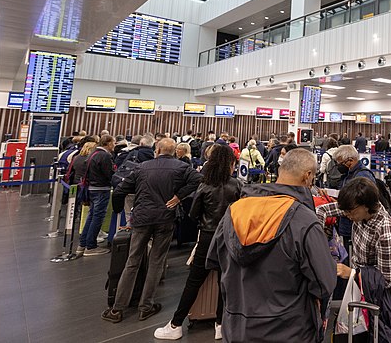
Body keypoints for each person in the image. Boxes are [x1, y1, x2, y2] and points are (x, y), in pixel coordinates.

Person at [207, 149, 336, 342]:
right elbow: (324, 284)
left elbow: (214, 261)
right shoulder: (305, 220)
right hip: (290, 329)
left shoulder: (234, 211)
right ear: (308, 176)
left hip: (236, 327)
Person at [102, 138, 202, 323]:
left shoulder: (142, 167)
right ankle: (146, 306)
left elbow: (120, 190)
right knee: (156, 262)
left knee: (132, 261)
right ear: (174, 151)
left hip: (142, 218)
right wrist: (179, 196)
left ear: (157, 150)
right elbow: (198, 179)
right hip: (165, 217)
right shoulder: (181, 167)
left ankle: (117, 308)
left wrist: (117, 210)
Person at [154, 145, 241, 340]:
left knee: (194, 281)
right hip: (229, 237)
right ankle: (220, 324)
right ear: (230, 163)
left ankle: (176, 324)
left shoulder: (205, 185)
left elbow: (193, 214)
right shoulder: (236, 185)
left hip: (207, 237)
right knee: (224, 281)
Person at [316, 177, 391, 340]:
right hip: (357, 287)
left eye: (351, 212)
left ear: (366, 206)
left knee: (371, 335)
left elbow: (386, 279)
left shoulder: (384, 229)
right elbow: (322, 211)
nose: (347, 216)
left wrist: (353, 273)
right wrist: (319, 242)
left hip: (375, 295)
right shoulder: (356, 209)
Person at [77, 134, 116, 256]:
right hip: (101, 189)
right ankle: (91, 246)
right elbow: (109, 174)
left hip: (92, 188)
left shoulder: (93, 153)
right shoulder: (104, 156)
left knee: (92, 216)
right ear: (109, 144)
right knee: (97, 218)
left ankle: (82, 244)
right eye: (113, 143)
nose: (114, 145)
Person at [333, 145, 376, 250]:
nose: (339, 166)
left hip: (356, 227)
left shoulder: (363, 176)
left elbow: (360, 202)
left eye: (340, 163)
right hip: (348, 225)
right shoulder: (349, 174)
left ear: (350, 160)